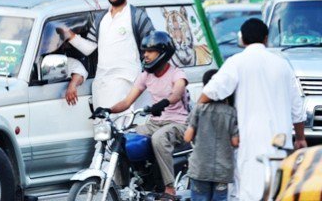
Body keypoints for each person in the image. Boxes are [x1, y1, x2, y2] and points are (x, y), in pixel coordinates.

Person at [199, 18, 306, 201]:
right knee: (280, 190)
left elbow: (209, 93)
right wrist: (301, 138)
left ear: (242, 39)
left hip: (250, 142)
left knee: (250, 190)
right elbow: (298, 108)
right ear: (266, 38)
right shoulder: (282, 64)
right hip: (281, 141)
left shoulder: (236, 62)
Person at [57, 0, 154, 111]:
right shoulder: (101, 19)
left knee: (118, 128)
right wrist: (70, 35)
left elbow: (153, 47)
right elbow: (89, 48)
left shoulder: (137, 16)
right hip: (101, 84)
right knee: (102, 128)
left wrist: (145, 75)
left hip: (125, 81)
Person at [109, 31, 189, 196]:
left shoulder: (177, 74)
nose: (145, 55)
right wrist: (107, 110)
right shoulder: (146, 76)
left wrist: (163, 103)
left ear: (163, 52)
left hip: (178, 124)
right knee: (122, 139)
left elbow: (176, 93)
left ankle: (169, 188)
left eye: (150, 51)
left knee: (159, 138)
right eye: (144, 51)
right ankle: (124, 185)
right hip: (154, 123)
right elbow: (126, 102)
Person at [185, 69, 239, 201]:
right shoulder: (231, 113)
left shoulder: (198, 110)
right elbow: (235, 142)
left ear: (205, 88)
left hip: (200, 169)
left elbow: (187, 137)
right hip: (222, 171)